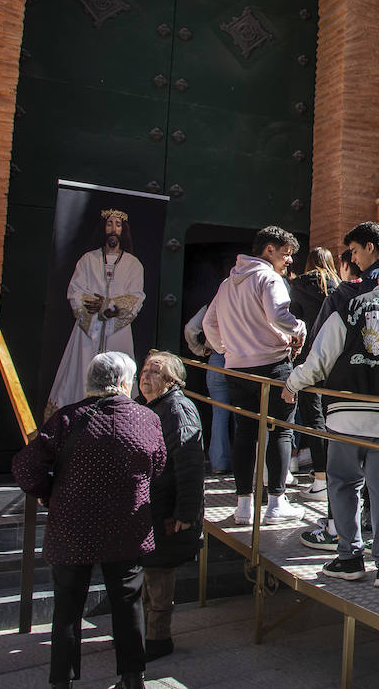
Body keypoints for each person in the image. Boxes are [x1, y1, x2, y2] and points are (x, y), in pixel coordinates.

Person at [12, 352, 166, 689]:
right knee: (128, 601)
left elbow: (26, 466)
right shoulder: (147, 419)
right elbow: (158, 464)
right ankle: (132, 676)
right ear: (125, 383)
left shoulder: (68, 419)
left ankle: (61, 681)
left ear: (90, 382)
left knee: (67, 605)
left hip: (73, 524)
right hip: (126, 525)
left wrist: (47, 492)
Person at [285, 251, 379, 588]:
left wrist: (293, 384)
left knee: (343, 484)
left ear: (376, 279)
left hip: (344, 414)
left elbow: (320, 357)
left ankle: (349, 558)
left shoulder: (350, 306)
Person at [203, 226, 306, 525]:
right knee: (280, 430)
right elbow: (278, 316)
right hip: (272, 367)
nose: (289, 261)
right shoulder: (268, 277)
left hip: (236, 369)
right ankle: (276, 502)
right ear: (270, 250)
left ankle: (244, 506)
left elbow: (210, 324)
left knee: (246, 433)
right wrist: (298, 327)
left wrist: (227, 347)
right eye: (286, 254)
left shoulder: (227, 284)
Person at [136, 352, 205, 662]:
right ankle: (143, 633)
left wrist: (185, 514)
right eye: (145, 370)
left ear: (172, 380)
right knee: (149, 572)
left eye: (155, 371)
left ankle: (157, 639)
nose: (146, 376)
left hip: (168, 511)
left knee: (160, 573)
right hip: (153, 506)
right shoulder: (152, 407)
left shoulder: (178, 409)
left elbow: (190, 466)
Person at [46, 209, 146, 419]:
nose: (113, 230)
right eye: (110, 224)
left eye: (118, 225)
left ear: (123, 230)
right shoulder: (88, 260)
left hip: (117, 332)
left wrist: (108, 305)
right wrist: (95, 307)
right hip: (88, 331)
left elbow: (136, 297)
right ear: (104, 228)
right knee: (80, 374)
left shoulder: (133, 264)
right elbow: (75, 291)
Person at [288, 247, 341, 496]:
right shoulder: (339, 286)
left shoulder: (298, 285)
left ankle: (321, 478)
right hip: (337, 358)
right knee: (335, 418)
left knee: (314, 418)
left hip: (311, 356)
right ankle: (334, 475)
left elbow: (294, 321)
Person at [183, 303, 231, 473]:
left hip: (216, 359)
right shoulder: (247, 297)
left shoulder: (215, 302)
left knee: (219, 414)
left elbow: (190, 328)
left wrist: (199, 349)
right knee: (245, 415)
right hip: (241, 359)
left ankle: (219, 463)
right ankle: (246, 465)